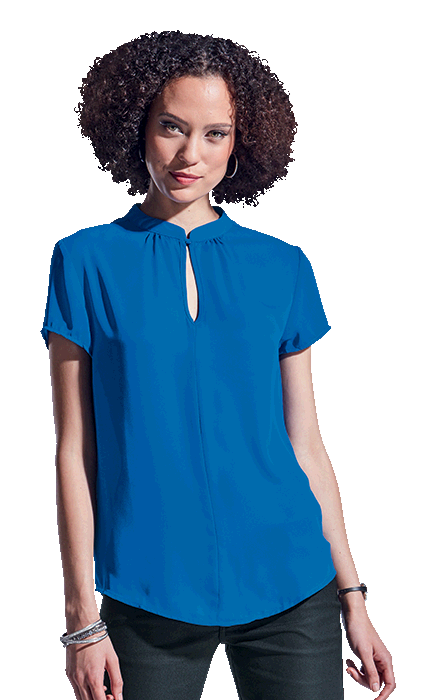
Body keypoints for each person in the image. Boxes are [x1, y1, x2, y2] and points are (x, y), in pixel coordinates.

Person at [43, 31, 396, 700]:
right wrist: (81, 619)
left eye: (215, 134)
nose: (190, 155)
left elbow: (306, 443)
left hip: (291, 584)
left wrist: (354, 599)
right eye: (171, 127)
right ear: (136, 126)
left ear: (240, 144)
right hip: (143, 591)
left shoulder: (284, 265)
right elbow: (74, 449)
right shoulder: (83, 260)